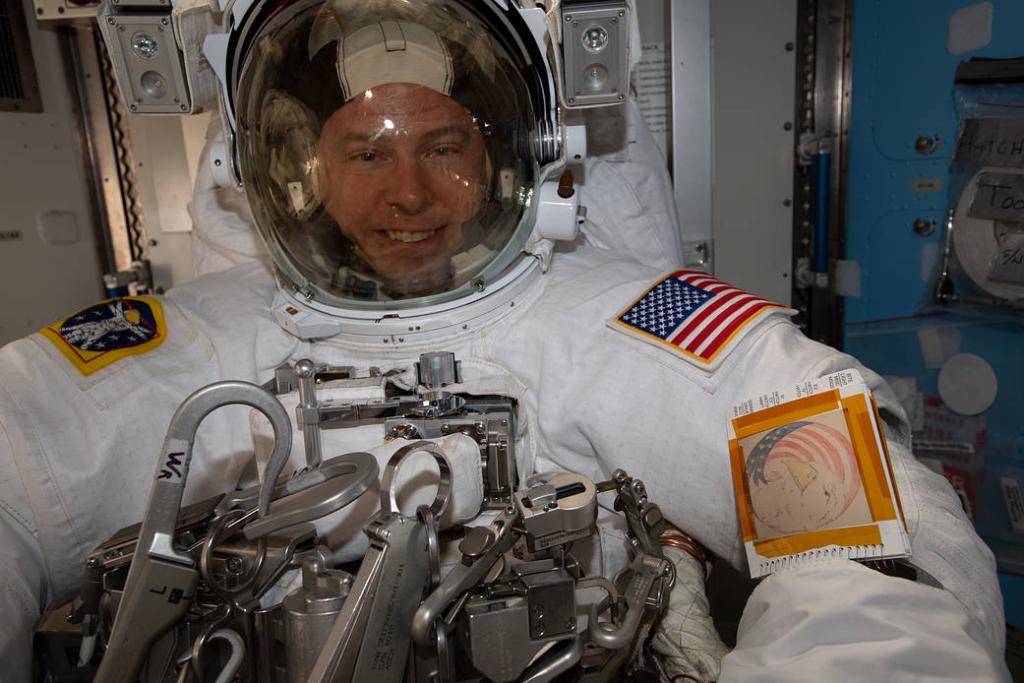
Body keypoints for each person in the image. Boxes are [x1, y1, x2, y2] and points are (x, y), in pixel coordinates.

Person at [0, 1, 1010, 680]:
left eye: (443, 146)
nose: (408, 194)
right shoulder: (197, 338)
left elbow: (871, 546)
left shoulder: (618, 319)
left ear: (512, 156)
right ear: (293, 167)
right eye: (366, 153)